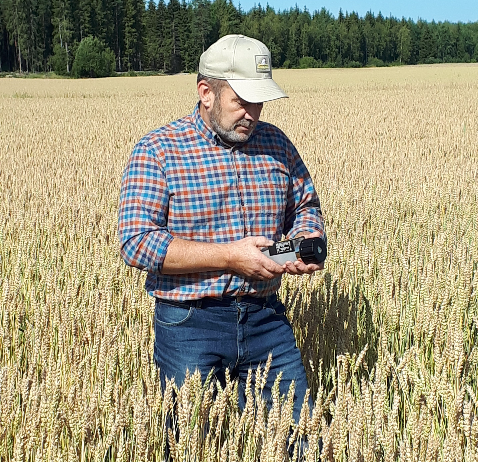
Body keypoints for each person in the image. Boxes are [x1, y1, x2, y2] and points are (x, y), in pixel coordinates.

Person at [118, 34, 325, 431]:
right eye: (241, 101)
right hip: (189, 324)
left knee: (301, 438)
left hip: (267, 320)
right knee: (192, 442)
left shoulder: (277, 144)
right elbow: (136, 242)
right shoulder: (159, 149)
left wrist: (301, 245)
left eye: (258, 101)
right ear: (206, 92)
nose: (252, 112)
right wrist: (230, 257)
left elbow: (305, 207)